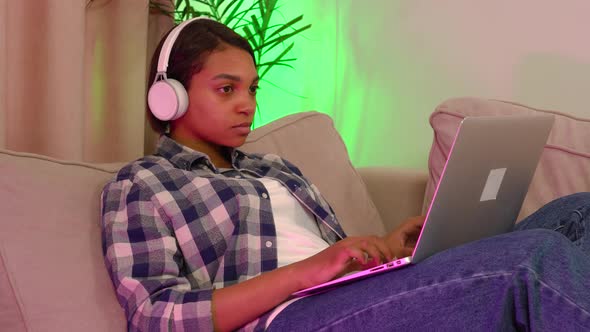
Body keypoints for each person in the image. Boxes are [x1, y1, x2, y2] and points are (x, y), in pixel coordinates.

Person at [100, 18, 590, 331]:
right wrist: (306, 273)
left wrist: (387, 248)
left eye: (251, 88)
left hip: (347, 298)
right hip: (286, 319)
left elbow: (327, 257)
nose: (247, 104)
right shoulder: (144, 183)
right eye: (226, 89)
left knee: (577, 211)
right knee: (532, 257)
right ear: (171, 97)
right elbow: (153, 315)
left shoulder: (277, 169)